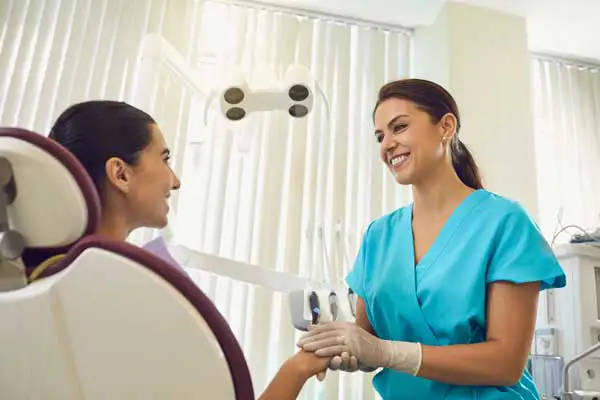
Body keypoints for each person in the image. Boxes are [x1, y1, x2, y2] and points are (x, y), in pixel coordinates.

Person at [297, 79, 566, 399]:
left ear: (446, 127)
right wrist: (343, 347)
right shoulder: (378, 237)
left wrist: (387, 353)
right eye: (380, 136)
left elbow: (506, 362)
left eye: (399, 127)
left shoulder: (505, 223)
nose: (387, 144)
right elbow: (367, 339)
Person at [49, 100, 330, 400]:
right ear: (120, 174)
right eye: (164, 158)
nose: (175, 181)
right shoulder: (137, 293)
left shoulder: (51, 287)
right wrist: (298, 368)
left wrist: (301, 365)